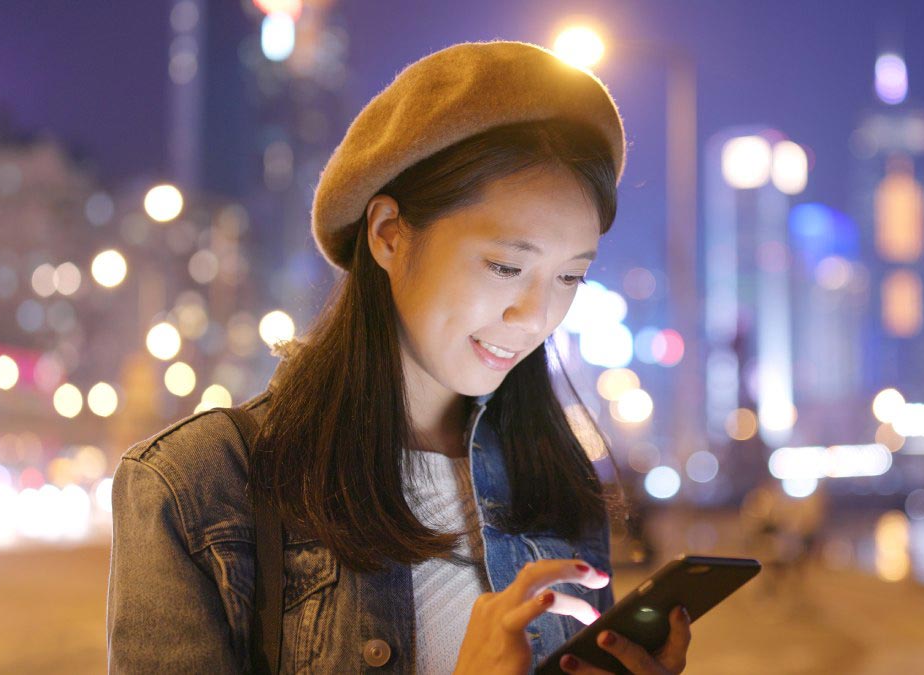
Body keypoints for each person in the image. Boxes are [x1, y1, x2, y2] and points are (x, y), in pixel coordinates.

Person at [106, 41, 692, 674]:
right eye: (505, 265)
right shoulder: (196, 484)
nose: (536, 315)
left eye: (570, 278)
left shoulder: (555, 482)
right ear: (388, 234)